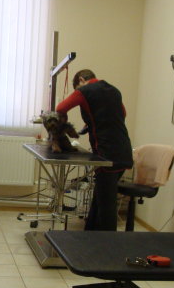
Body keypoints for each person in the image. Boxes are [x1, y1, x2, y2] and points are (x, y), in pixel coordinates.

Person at [56, 69, 133, 231]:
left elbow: (60, 108)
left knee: (106, 206)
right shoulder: (114, 90)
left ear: (81, 80)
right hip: (124, 150)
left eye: (77, 87)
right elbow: (123, 114)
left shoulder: (84, 91)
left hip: (106, 153)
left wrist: (62, 129)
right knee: (100, 196)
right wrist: (92, 123)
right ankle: (90, 234)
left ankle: (107, 242)